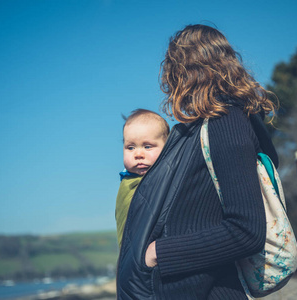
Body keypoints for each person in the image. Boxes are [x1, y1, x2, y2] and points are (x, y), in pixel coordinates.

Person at [117, 24, 279, 300]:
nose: (169, 82)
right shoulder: (211, 123)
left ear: (186, 70)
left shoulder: (226, 123)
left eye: (172, 70)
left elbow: (247, 230)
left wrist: (159, 253)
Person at [115, 109, 170, 248]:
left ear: (167, 148)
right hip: (134, 255)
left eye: (147, 146)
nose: (138, 154)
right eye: (131, 147)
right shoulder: (131, 182)